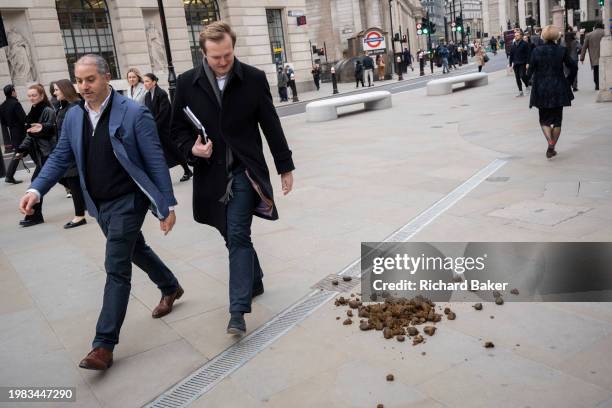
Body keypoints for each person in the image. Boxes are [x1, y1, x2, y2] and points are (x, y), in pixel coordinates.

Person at [19, 54, 183, 370]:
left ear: (107, 77)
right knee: (136, 249)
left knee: (116, 266)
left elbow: (155, 160)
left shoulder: (135, 113)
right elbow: (58, 157)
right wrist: (35, 189)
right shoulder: (73, 117)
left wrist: (167, 205)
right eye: (79, 80)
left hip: (129, 201)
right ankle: (170, 286)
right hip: (99, 204)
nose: (83, 86)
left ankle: (103, 345)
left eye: (90, 79)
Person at [171, 21, 294, 335]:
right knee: (230, 234)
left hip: (243, 171)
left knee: (238, 235)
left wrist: (285, 165)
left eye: (227, 55)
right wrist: (192, 150)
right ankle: (254, 278)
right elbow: (175, 132)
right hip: (210, 174)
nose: (223, 61)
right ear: (204, 53)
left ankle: (237, 311)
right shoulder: (186, 83)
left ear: (232, 47)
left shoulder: (253, 78)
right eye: (216, 57)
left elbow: (271, 124)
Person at [527, 25, 577, 159]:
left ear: (543, 36)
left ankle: (550, 142)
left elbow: (529, 71)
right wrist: (569, 81)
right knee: (557, 120)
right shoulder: (561, 50)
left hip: (541, 88)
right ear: (556, 36)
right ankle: (551, 147)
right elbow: (573, 66)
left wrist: (530, 81)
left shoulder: (536, 51)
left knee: (544, 119)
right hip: (558, 87)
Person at [14, 84, 56, 227]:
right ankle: (34, 215)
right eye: (29, 95)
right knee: (68, 181)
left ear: (42, 96)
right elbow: (30, 134)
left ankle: (34, 215)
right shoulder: (32, 111)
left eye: (34, 95)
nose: (31, 98)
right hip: (40, 153)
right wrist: (22, 149)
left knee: (36, 183)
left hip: (49, 152)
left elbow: (51, 131)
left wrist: (40, 131)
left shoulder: (48, 111)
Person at [143, 73, 193, 182]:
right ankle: (164, 177)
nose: (145, 84)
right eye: (144, 82)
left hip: (165, 129)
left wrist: (154, 126)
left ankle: (187, 170)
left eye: (147, 81)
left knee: (173, 150)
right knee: (160, 153)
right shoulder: (147, 96)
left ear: (154, 82)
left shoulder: (161, 94)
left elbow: (164, 113)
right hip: (155, 129)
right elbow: (148, 112)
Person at [53, 79, 87, 229]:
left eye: (56, 90)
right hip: (66, 150)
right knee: (71, 181)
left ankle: (79, 216)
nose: (54, 93)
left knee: (73, 182)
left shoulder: (75, 106)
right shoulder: (63, 106)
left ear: (65, 90)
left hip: (73, 151)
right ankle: (84, 206)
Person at [0, 84, 26, 184]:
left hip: (13, 132)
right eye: (15, 90)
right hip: (22, 132)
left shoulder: (2, 106)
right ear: (12, 92)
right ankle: (9, 175)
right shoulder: (16, 104)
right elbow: (23, 118)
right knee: (22, 152)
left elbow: (3, 123)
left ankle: (9, 176)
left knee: (20, 153)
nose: (16, 92)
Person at [580, 22, 605, 91]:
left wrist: (582, 58)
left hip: (594, 58)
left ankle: (597, 85)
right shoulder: (606, 33)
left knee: (596, 71)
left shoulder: (589, 35)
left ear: (595, 27)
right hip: (605, 56)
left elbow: (584, 47)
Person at [509, 30, 531, 96]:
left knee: (522, 75)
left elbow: (528, 54)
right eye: (515, 36)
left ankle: (527, 86)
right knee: (517, 78)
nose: (516, 37)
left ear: (521, 36)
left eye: (517, 35)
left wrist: (528, 63)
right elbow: (511, 55)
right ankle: (520, 91)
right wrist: (510, 65)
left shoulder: (525, 44)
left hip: (523, 63)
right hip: (516, 64)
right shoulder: (513, 45)